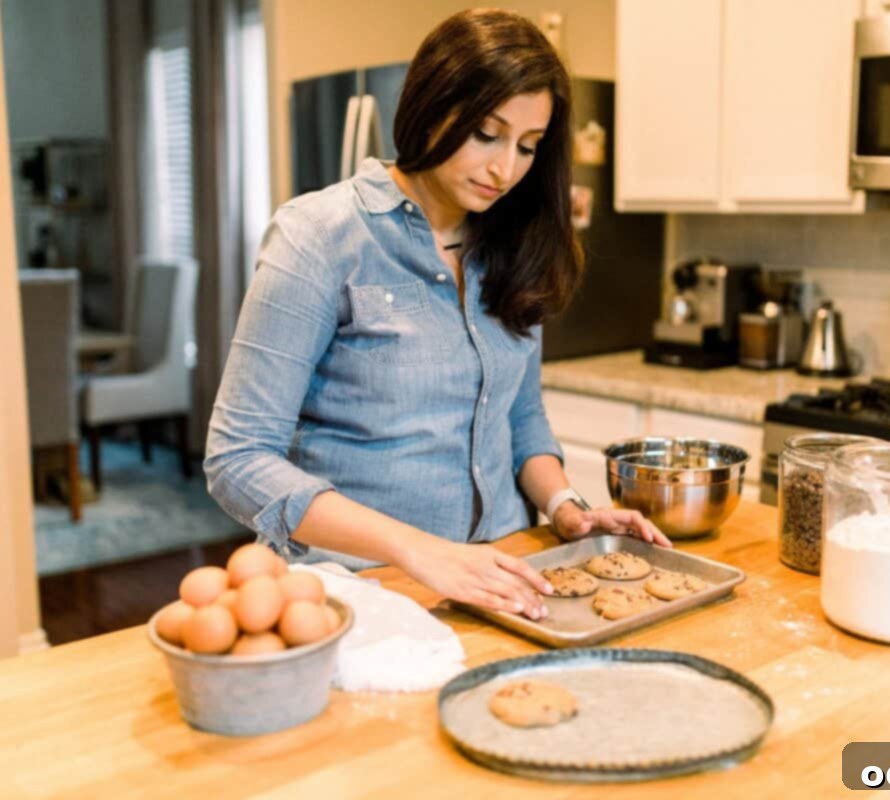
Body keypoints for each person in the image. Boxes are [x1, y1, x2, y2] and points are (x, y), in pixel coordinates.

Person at [205, 9, 669, 622]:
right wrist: (422, 552)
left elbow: (520, 418)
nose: (506, 169)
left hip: (505, 582)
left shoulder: (516, 245)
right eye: (486, 133)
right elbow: (238, 458)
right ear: (433, 104)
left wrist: (566, 508)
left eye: (528, 147)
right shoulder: (319, 236)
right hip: (360, 593)